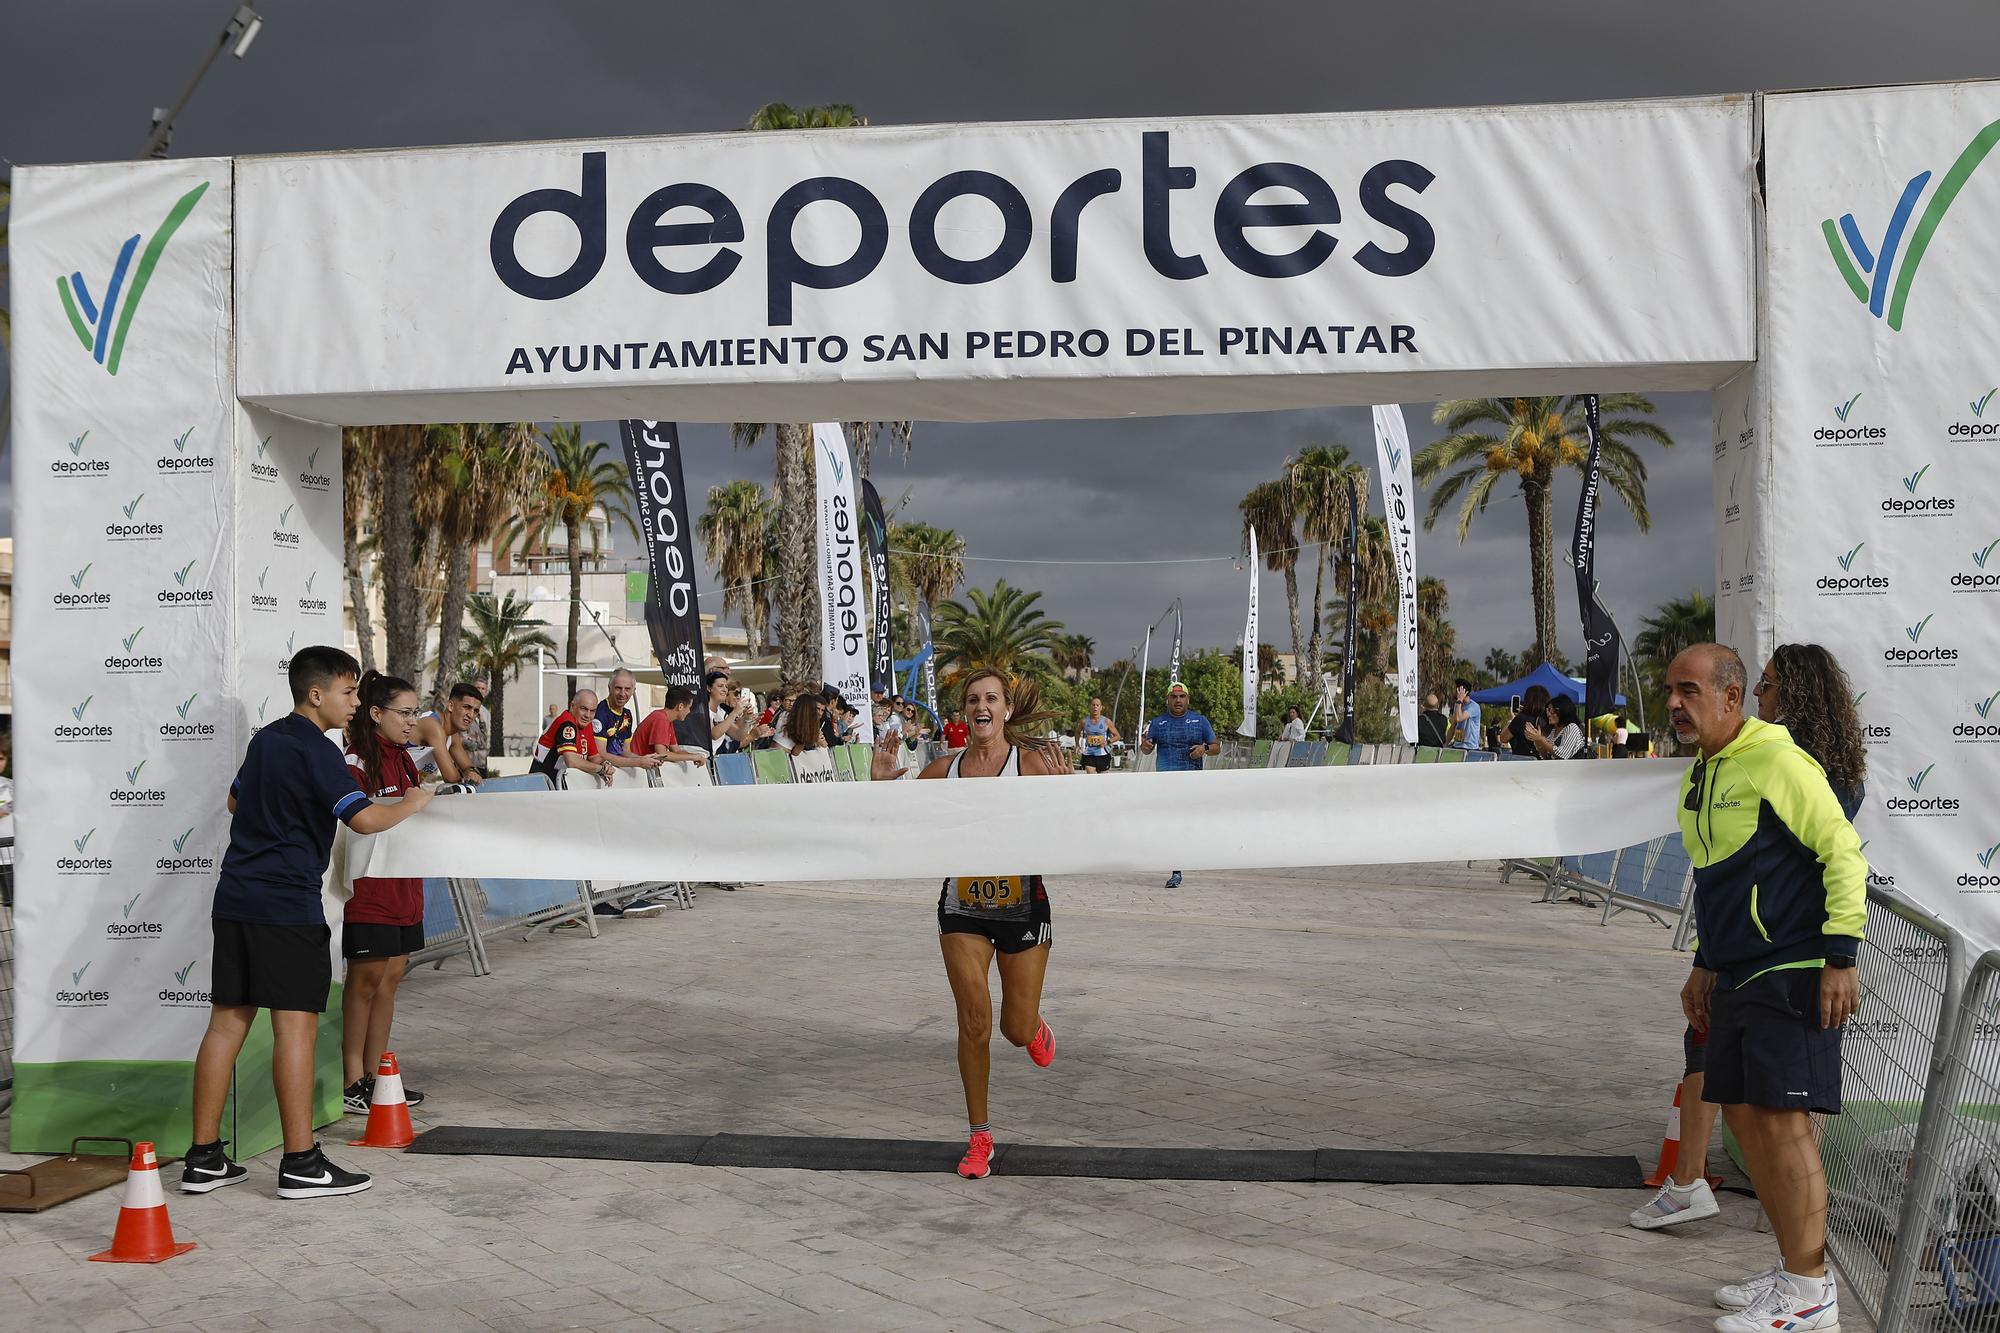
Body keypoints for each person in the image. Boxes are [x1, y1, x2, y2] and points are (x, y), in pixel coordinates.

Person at [1634, 644, 1871, 1237]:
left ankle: (1810, 1286)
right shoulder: (1705, 771)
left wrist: (1841, 955)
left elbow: (1841, 851)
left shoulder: (1781, 761)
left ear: (1731, 697)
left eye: (1688, 691)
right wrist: (1704, 962)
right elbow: (1720, 883)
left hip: (1790, 967)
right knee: (1747, 1119)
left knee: (1784, 1128)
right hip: (1736, 970)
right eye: (1670, 691)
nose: (1673, 704)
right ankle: (1792, 1273)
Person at [179, 646, 432, 1200]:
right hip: (286, 906)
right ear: (315, 695)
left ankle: (203, 1159)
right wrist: (414, 802)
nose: (355, 702)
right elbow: (364, 820)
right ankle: (301, 1163)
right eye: (347, 693)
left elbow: (233, 802)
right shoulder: (321, 751)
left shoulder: (266, 739)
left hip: (235, 898)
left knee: (226, 1024)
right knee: (295, 1028)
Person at [875, 667, 1062, 1179]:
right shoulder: (943, 769)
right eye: (974, 699)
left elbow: (1066, 828)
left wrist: (1068, 794)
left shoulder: (1031, 764)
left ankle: (1034, 1029)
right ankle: (979, 1135)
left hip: (1023, 907)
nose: (983, 707)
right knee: (974, 1022)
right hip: (962, 909)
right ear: (965, 712)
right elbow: (894, 820)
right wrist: (879, 782)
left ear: (1006, 710)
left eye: (992, 699)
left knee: (1014, 1029)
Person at [339, 672, 433, 1116]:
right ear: (376, 714)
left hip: (405, 887)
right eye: (405, 712)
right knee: (364, 982)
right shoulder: (357, 759)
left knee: (391, 980)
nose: (413, 721)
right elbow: (357, 817)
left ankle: (378, 1076)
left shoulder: (407, 758)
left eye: (416, 712)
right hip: (370, 889)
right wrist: (409, 805)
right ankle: (351, 1079)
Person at [1141, 681, 1218, 889]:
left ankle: (1184, 860)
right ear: (1168, 699)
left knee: (1186, 825)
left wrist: (1204, 749)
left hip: (1192, 782)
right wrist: (1145, 746)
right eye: (1174, 697)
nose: (1177, 700)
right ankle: (1176, 869)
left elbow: (1216, 747)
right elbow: (1146, 749)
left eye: (1181, 697)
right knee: (1172, 825)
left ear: (1187, 699)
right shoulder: (1157, 723)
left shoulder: (1200, 721)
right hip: (1165, 783)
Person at [409, 683, 485, 785]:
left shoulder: (452, 736)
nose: (471, 715)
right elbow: (451, 777)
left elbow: (467, 766)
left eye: (475, 711)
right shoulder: (432, 725)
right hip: (387, 791)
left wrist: (471, 772)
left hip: (404, 791)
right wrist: (466, 777)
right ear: (450, 706)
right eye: (467, 707)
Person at [630, 685, 708, 766]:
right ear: (680, 706)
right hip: (636, 768)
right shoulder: (661, 719)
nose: (689, 711)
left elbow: (676, 751)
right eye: (689, 707)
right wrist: (692, 757)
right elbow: (661, 754)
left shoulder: (666, 720)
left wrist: (694, 756)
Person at [593, 668, 640, 756]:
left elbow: (625, 751)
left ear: (633, 691)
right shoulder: (600, 712)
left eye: (627, 689)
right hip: (603, 767)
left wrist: (644, 759)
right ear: (609, 688)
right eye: (618, 688)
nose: (622, 694)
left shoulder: (627, 714)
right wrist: (639, 762)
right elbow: (601, 755)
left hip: (617, 767)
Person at [1524, 695, 1587, 759]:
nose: (1548, 714)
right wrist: (1536, 740)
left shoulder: (1572, 727)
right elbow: (1544, 756)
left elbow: (1563, 754)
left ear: (1563, 711)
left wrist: (1541, 739)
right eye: (1547, 710)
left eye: (1552, 710)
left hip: (1572, 768)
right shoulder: (1553, 731)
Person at [1497, 684, 1551, 758]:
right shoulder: (1548, 720)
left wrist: (1512, 719)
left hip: (1521, 761)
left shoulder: (1520, 719)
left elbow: (1503, 738)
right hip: (1542, 761)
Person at [1075, 697, 1119, 773]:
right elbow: (1077, 732)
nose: (1095, 707)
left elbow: (1117, 736)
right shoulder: (1084, 721)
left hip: (1103, 753)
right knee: (1090, 774)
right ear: (1090, 707)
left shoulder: (1106, 721)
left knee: (1103, 780)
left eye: (1097, 705)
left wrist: (1107, 742)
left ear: (1101, 708)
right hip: (1089, 753)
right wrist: (1077, 745)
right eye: (1093, 705)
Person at [1448, 680, 1482, 753]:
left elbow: (1458, 718)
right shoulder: (1457, 705)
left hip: (1469, 747)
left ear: (1461, 691)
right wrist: (1445, 743)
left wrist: (1460, 699)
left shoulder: (1474, 707)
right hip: (1457, 745)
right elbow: (1453, 726)